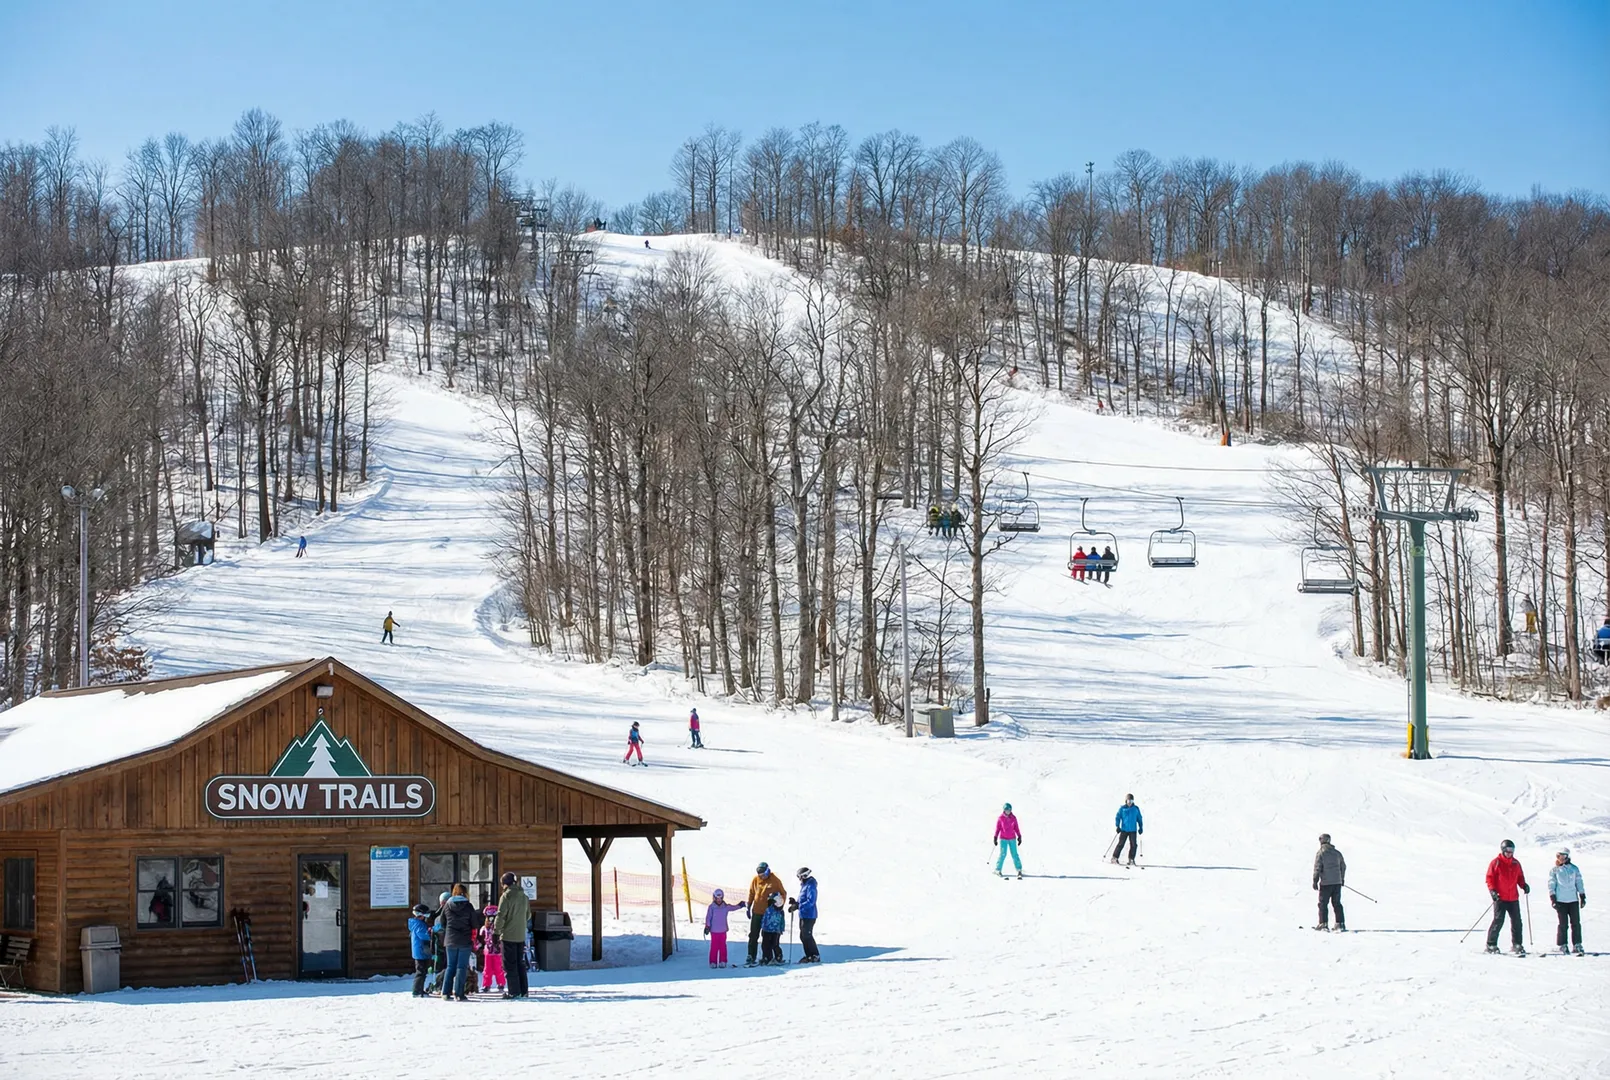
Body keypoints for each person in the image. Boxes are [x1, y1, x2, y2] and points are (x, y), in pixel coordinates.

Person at [1485, 839, 1530, 955]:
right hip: (1500, 897)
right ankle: (1491, 944)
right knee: (1498, 920)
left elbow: (1520, 877)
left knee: (1517, 922)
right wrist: (1493, 891)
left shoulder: (1516, 863)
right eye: (1508, 851)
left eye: (1512, 851)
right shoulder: (1496, 862)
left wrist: (1523, 885)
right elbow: (1489, 878)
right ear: (1503, 850)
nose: (1510, 853)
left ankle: (1517, 944)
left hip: (1513, 898)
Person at [492, 871, 531, 998]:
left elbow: (501, 915)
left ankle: (514, 991)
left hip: (508, 935)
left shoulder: (506, 896)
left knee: (509, 965)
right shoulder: (524, 896)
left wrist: (496, 932)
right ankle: (524, 990)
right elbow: (528, 915)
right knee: (520, 963)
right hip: (520, 936)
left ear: (505, 884)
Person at [441, 883, 483, 1000]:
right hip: (465, 940)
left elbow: (442, 922)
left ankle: (445, 992)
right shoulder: (468, 906)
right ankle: (459, 993)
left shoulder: (447, 905)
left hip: (450, 940)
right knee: (461, 967)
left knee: (450, 966)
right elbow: (475, 923)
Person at [745, 861, 787, 967]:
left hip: (769, 915)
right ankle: (751, 955)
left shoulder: (775, 881)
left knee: (767, 937)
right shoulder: (755, 880)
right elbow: (751, 892)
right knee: (753, 935)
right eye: (760, 875)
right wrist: (749, 905)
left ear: (768, 871)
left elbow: (783, 893)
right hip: (757, 912)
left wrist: (780, 904)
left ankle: (766, 957)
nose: (762, 877)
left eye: (764, 874)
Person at [1548, 847, 1586, 956]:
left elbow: (1579, 882)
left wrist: (1582, 895)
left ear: (1567, 857)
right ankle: (1562, 944)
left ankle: (1577, 944)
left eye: (1564, 856)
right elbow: (1551, 884)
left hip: (1573, 900)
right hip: (1561, 901)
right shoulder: (1554, 870)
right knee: (1563, 924)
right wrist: (1553, 898)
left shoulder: (1574, 869)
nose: (1562, 859)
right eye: (1559, 856)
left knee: (1576, 923)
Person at [703, 888, 746, 968]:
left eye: (720, 898)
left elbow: (733, 907)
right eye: (717, 898)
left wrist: (740, 905)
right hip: (714, 931)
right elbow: (708, 917)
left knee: (722, 946)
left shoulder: (725, 907)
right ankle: (713, 962)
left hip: (722, 930)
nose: (719, 900)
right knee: (714, 947)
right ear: (714, 898)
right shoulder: (711, 907)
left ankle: (723, 961)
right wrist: (707, 926)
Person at [1312, 833, 1347, 931]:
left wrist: (1315, 880)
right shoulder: (1337, 853)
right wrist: (1342, 879)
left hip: (1326, 883)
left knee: (1323, 903)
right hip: (1337, 883)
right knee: (1337, 903)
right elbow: (1343, 866)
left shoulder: (1321, 853)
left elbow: (1317, 868)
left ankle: (1323, 923)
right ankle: (1340, 923)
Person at [789, 867, 820, 963]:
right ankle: (809, 956)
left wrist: (798, 906)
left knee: (807, 935)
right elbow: (803, 899)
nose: (799, 878)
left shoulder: (811, 886)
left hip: (809, 915)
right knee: (803, 936)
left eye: (799, 876)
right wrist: (795, 902)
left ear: (804, 875)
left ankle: (815, 955)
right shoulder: (805, 885)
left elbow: (811, 901)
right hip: (803, 915)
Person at [477, 903, 506, 992]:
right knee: (487, 969)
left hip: (497, 951)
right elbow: (481, 937)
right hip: (488, 951)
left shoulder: (499, 928)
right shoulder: (484, 928)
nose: (491, 920)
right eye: (489, 918)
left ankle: (501, 983)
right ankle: (486, 985)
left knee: (498, 968)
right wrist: (478, 945)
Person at [408, 903, 433, 996]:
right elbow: (423, 935)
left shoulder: (417, 924)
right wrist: (431, 933)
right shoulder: (419, 925)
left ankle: (420, 989)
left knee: (423, 972)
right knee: (420, 972)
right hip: (420, 951)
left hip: (420, 951)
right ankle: (416, 991)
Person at [994, 802, 1023, 878]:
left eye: (1009, 810)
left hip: (1012, 838)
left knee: (1014, 854)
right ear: (1004, 810)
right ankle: (998, 869)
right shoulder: (1001, 818)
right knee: (1003, 854)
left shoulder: (1013, 818)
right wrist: (995, 837)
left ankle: (1019, 869)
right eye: (1006, 810)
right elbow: (998, 829)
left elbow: (1016, 828)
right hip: (1003, 839)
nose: (1008, 811)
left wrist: (1019, 836)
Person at [1113, 794, 1143, 866]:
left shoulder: (1135, 809)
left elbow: (1139, 818)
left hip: (1133, 830)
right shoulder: (1122, 809)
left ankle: (1131, 859)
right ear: (1126, 801)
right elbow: (1117, 817)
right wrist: (1117, 826)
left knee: (1134, 845)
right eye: (1128, 800)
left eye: (1131, 800)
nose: (1130, 802)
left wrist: (1141, 827)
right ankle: (1114, 858)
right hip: (1124, 830)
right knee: (1121, 844)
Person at [760, 892, 786, 965]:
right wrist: (763, 927)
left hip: (775, 931)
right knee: (766, 944)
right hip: (767, 930)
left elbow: (782, 921)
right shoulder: (769, 909)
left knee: (774, 944)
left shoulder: (780, 911)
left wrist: (781, 928)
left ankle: (778, 957)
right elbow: (764, 919)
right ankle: (768, 958)